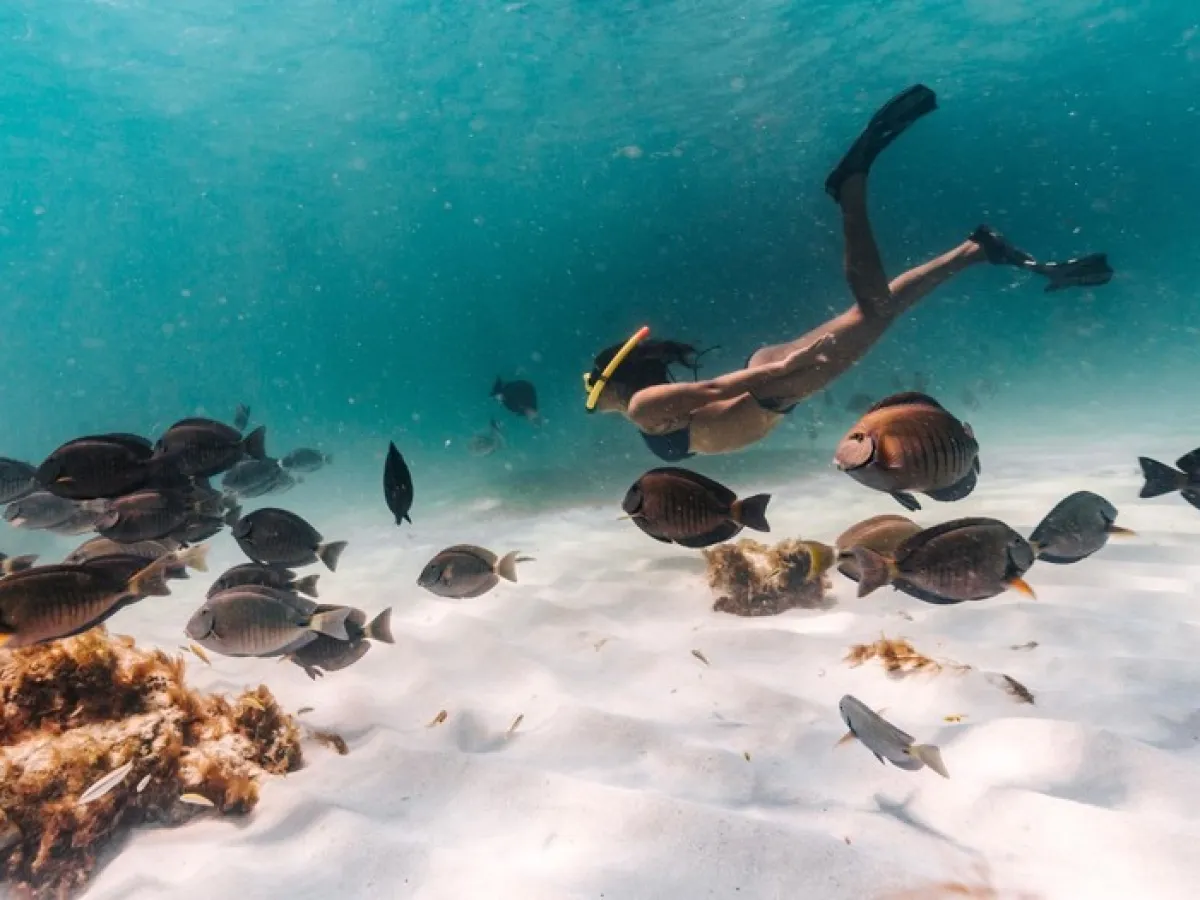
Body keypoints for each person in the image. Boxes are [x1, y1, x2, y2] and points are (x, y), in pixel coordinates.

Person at [581, 84, 1113, 462]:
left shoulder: (643, 407)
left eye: (592, 384)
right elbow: (716, 392)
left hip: (775, 386)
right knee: (877, 310)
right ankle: (975, 251)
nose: (588, 393)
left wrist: (788, 367)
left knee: (876, 311)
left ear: (615, 383)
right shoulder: (643, 408)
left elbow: (722, 384)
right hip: (771, 379)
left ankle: (850, 189)